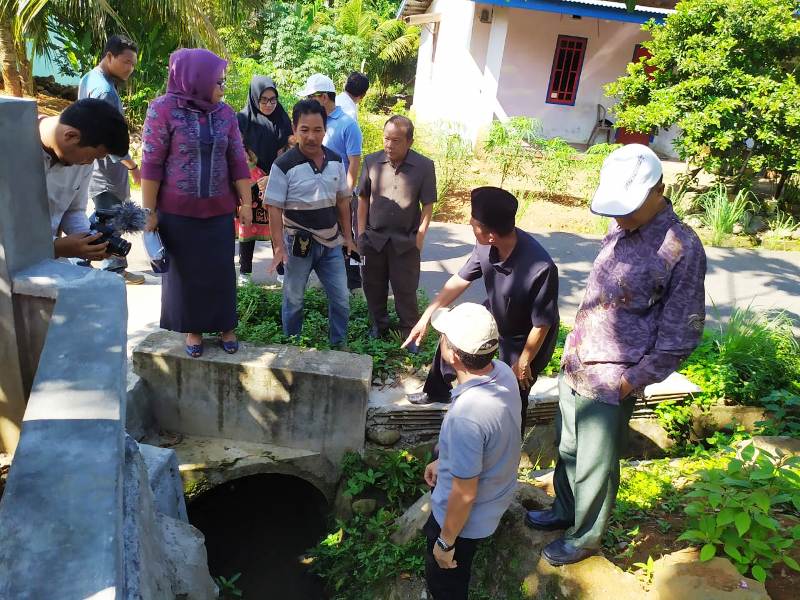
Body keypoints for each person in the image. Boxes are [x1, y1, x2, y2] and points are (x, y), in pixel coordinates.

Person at [525, 144, 706, 566]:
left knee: (596, 465)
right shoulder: (619, 227)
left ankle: (586, 537)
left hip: (614, 377)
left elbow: (681, 332)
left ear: (658, 191)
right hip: (579, 362)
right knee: (568, 447)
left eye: (628, 208)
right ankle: (565, 511)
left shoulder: (680, 246)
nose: (619, 216)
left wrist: (634, 379)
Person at [403, 187, 560, 435]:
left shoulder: (540, 267)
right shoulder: (485, 247)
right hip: (496, 314)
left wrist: (524, 361)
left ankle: (509, 442)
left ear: (491, 235)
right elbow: (459, 280)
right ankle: (436, 391)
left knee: (513, 391)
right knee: (452, 334)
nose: (469, 224)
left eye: (474, 223)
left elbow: (542, 324)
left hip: (526, 336)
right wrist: (426, 317)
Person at [140, 48, 252, 358]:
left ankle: (226, 325)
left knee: (220, 270)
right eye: (219, 82)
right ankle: (194, 330)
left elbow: (237, 159)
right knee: (187, 273)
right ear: (197, 79)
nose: (223, 88)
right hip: (177, 212)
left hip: (218, 210)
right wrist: (148, 212)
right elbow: (151, 164)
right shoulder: (162, 110)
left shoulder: (226, 113)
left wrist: (246, 201)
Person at [422, 303, 521, 600]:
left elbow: (464, 493)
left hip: (463, 522)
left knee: (446, 585)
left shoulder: (467, 415)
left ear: (452, 353)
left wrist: (445, 542)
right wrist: (447, 461)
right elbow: (487, 439)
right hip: (495, 497)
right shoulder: (502, 373)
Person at [264, 99, 357, 349]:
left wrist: (348, 237)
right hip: (298, 244)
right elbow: (274, 208)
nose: (311, 136)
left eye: (317, 130)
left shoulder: (336, 160)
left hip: (331, 244)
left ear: (325, 130)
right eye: (304, 129)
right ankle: (291, 346)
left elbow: (342, 202)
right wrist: (278, 248)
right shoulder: (283, 165)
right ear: (294, 130)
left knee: (341, 300)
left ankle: (339, 346)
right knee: (293, 300)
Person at [357, 115, 436, 348]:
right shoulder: (371, 162)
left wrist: (420, 236)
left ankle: (409, 334)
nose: (389, 145)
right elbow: (362, 198)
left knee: (406, 290)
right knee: (373, 286)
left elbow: (428, 205)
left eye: (396, 140)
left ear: (409, 141)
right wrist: (360, 234)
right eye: (386, 139)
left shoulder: (424, 166)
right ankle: (378, 326)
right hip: (374, 239)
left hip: (405, 241)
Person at [78, 34, 144, 285]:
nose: (131, 68)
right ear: (109, 56)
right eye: (126, 62)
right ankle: (109, 267)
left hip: (98, 166)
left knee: (105, 216)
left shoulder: (91, 78)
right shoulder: (104, 90)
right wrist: (133, 166)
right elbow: (109, 140)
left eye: (133, 64)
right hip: (105, 169)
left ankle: (88, 262)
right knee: (107, 218)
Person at [39, 99, 129, 261]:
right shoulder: (10, 147)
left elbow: (73, 210)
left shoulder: (80, 159)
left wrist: (92, 241)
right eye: (91, 156)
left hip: (43, 265)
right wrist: (54, 247)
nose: (89, 163)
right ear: (71, 136)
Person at [298, 74, 363, 291]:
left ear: (323, 97)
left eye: (311, 97)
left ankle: (355, 285)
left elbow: (354, 162)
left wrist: (347, 191)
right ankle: (318, 283)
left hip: (339, 195)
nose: (307, 102)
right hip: (316, 194)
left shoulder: (347, 124)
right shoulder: (317, 123)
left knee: (347, 235)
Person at [236, 75, 292, 284]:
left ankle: (282, 270)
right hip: (249, 184)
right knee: (248, 226)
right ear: (254, 98)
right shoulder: (242, 120)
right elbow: (237, 152)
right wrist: (257, 174)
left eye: (273, 99)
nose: (269, 104)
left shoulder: (283, 120)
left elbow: (289, 150)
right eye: (264, 100)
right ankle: (245, 272)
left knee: (277, 226)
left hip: (276, 180)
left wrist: (273, 175)